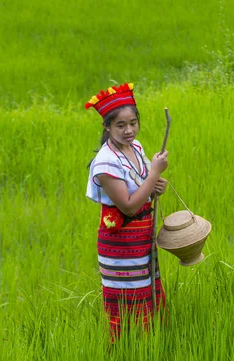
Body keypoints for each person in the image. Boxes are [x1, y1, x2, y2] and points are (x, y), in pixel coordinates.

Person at [85, 82, 169, 342]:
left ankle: (150, 348)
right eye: (120, 125)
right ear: (107, 127)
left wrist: (155, 187)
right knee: (127, 300)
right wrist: (154, 173)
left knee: (148, 293)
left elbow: (142, 190)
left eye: (133, 122)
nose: (129, 130)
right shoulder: (105, 162)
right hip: (120, 243)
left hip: (142, 238)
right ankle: (123, 357)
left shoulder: (137, 148)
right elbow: (129, 205)